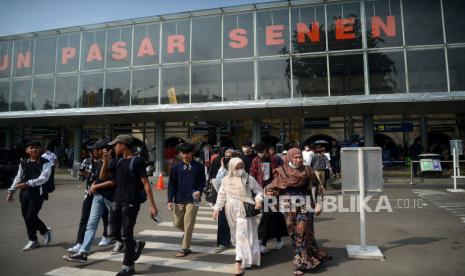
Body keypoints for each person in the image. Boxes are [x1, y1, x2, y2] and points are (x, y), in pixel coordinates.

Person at [265, 148, 330, 275]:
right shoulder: (282, 171)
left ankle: (300, 263)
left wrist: (319, 204)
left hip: (305, 204)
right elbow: (273, 188)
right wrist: (269, 195)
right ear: (289, 158)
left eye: (300, 157)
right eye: (295, 157)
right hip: (288, 206)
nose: (298, 160)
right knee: (293, 232)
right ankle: (307, 254)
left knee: (302, 230)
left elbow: (317, 187)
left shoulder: (307, 170)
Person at [105, 134, 159, 276]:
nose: (114, 147)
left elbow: (146, 183)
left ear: (123, 145)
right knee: (112, 232)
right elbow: (106, 178)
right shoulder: (118, 162)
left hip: (131, 202)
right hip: (116, 200)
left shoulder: (137, 161)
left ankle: (128, 267)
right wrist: (106, 161)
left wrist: (152, 206)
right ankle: (135, 245)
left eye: (116, 144)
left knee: (126, 234)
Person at [63, 139, 120, 263]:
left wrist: (96, 186)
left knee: (116, 224)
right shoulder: (100, 161)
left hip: (110, 198)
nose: (92, 152)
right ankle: (83, 253)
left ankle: (130, 243)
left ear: (102, 150)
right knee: (91, 224)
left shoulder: (115, 162)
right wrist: (95, 183)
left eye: (94, 149)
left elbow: (113, 181)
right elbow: (101, 178)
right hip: (98, 197)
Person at [213, 157, 263, 275]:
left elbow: (259, 191)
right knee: (237, 235)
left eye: (242, 167)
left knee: (242, 235)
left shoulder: (248, 178)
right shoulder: (225, 180)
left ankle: (238, 262)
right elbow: (221, 195)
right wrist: (216, 209)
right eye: (237, 167)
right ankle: (246, 256)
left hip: (244, 210)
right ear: (231, 167)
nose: (240, 169)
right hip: (230, 210)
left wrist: (258, 200)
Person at [6, 140, 53, 251]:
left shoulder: (45, 162)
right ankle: (33, 240)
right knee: (26, 218)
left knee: (30, 217)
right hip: (25, 194)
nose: (34, 149)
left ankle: (44, 232)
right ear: (27, 150)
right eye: (31, 147)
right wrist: (11, 191)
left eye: (37, 147)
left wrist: (27, 183)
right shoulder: (24, 162)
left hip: (38, 193)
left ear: (40, 150)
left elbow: (43, 178)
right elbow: (18, 177)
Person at [67, 143, 111, 253]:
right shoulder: (86, 161)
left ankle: (107, 236)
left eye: (93, 151)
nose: (91, 153)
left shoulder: (106, 160)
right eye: (90, 151)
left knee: (106, 217)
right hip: (89, 192)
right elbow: (80, 177)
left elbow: (104, 178)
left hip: (103, 193)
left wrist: (90, 175)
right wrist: (82, 174)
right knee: (85, 218)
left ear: (99, 151)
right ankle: (79, 243)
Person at [167, 143, 206, 257]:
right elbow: (171, 185)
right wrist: (169, 200)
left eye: (187, 153)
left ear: (191, 153)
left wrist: (199, 190)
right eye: (183, 153)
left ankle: (185, 247)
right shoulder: (176, 167)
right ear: (180, 154)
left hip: (193, 199)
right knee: (177, 223)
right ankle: (187, 234)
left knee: (188, 223)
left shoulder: (198, 166)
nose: (185, 155)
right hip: (179, 198)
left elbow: (203, 181)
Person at [212, 149, 235, 253]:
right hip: (224, 199)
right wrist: (222, 168)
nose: (228, 159)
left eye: (231, 157)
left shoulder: (239, 168)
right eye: (226, 156)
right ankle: (223, 243)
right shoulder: (222, 170)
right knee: (222, 221)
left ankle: (239, 242)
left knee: (238, 223)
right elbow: (217, 184)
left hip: (237, 200)